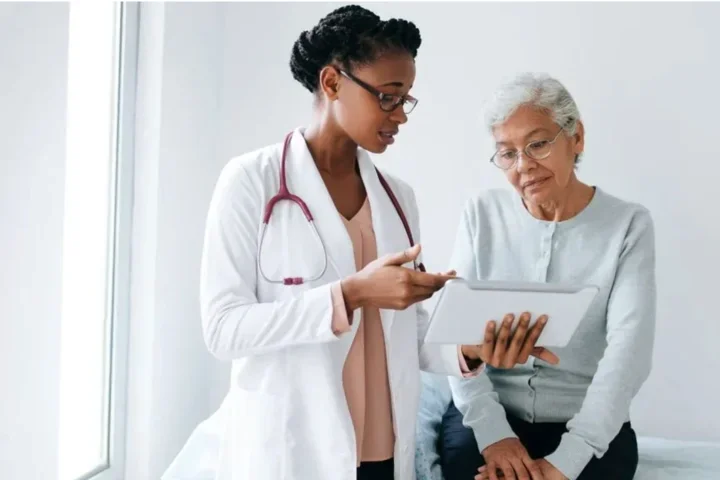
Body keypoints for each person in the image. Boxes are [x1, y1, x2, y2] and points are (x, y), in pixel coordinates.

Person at [162, 7, 558, 480]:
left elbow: (403, 335)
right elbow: (224, 330)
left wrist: (471, 350)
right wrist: (350, 295)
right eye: (388, 98)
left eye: (406, 100)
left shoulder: (397, 197)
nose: (400, 117)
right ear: (332, 83)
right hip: (294, 447)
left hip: (382, 453)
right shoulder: (252, 181)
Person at [438, 73, 656, 480]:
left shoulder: (628, 224)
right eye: (507, 153)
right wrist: (492, 435)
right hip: (490, 415)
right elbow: (455, 338)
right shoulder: (481, 215)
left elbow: (630, 351)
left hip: (589, 424)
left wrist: (568, 460)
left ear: (577, 137)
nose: (524, 166)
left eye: (537, 144)